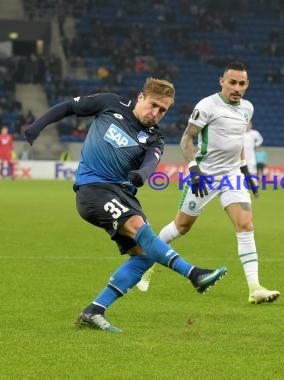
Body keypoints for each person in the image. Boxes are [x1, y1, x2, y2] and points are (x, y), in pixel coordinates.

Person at [23, 77, 228, 332]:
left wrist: (141, 176)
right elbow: (68, 107)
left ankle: (94, 310)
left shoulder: (155, 138)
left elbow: (150, 164)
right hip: (93, 190)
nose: (156, 114)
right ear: (141, 97)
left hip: (124, 194)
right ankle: (194, 274)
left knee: (143, 257)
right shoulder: (110, 103)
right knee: (139, 227)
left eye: (162, 111)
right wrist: (37, 125)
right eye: (153, 105)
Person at [136, 62, 280, 304]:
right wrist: (194, 170)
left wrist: (245, 173)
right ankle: (146, 267)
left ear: (247, 85)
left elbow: (238, 144)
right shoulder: (207, 105)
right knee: (181, 227)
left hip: (231, 176)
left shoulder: (247, 108)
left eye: (241, 83)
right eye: (232, 82)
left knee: (245, 225)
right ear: (221, 81)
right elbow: (186, 139)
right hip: (204, 176)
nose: (237, 87)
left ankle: (255, 288)